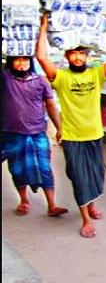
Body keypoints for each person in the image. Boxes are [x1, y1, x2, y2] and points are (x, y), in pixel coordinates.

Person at [35, 11, 106, 238]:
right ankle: (85, 218)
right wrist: (44, 27)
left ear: (86, 56)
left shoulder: (96, 75)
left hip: (94, 134)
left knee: (95, 175)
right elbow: (42, 58)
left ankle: (91, 205)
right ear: (66, 56)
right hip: (73, 137)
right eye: (73, 54)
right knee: (80, 177)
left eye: (81, 54)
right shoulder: (61, 78)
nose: (77, 58)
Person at [1, 55, 68, 217]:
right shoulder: (5, 79)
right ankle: (24, 200)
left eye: (25, 59)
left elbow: (50, 104)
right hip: (12, 133)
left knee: (45, 167)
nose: (22, 63)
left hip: (38, 132)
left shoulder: (40, 81)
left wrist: (60, 128)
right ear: (10, 62)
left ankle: (52, 205)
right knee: (17, 169)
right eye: (17, 60)